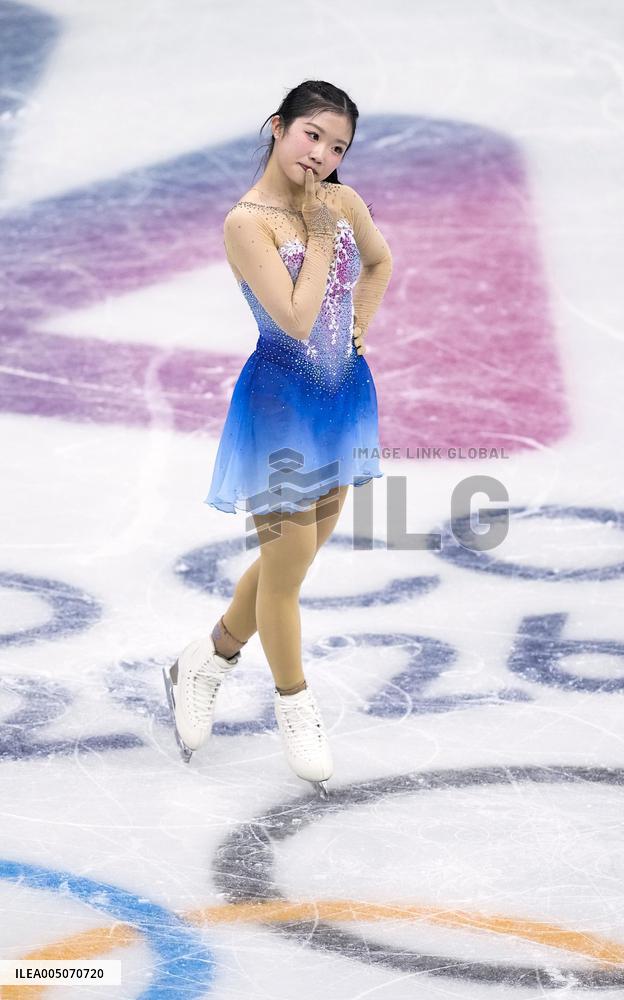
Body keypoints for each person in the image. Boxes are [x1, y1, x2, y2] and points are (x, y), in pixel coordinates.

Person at [163, 81, 393, 797]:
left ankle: (205, 660)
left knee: (291, 556)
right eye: (312, 136)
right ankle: (293, 703)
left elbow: (380, 262)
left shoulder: (344, 202)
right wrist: (322, 233)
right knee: (288, 567)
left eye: (337, 147)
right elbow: (294, 319)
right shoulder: (247, 223)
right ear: (278, 126)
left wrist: (362, 322)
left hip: (342, 396)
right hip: (282, 408)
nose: (322, 155)